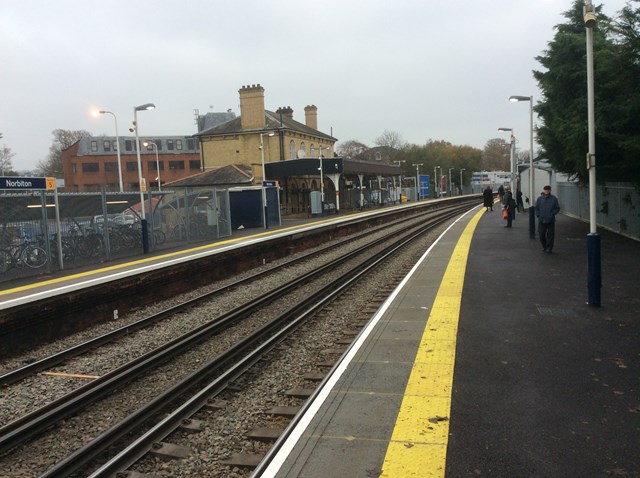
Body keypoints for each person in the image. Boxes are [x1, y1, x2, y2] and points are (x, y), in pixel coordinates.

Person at [535, 185, 560, 253]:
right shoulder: (540, 199)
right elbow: (536, 208)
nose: (546, 191)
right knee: (541, 234)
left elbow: (557, 208)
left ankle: (549, 248)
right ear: (544, 190)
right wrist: (538, 215)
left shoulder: (554, 199)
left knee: (550, 235)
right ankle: (544, 246)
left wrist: (552, 214)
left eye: (548, 190)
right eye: (545, 190)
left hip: (550, 220)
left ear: (550, 191)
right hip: (542, 220)